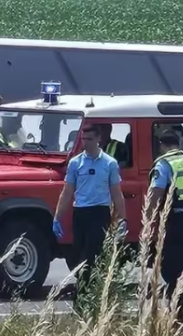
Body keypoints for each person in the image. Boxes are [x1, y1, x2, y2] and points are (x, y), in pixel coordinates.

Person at [52, 126, 126, 308]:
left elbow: (117, 193)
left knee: (90, 255)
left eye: (90, 139)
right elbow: (67, 192)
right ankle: (90, 289)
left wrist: (122, 219)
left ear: (98, 139)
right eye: (83, 139)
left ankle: (82, 297)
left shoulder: (109, 163)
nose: (86, 143)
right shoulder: (76, 163)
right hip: (80, 213)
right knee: (76, 255)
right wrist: (57, 217)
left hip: (99, 213)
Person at [145, 130, 183, 324]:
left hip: (174, 223)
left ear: (162, 145)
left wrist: (149, 221)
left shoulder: (163, 164)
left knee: (172, 270)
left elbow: (156, 193)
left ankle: (176, 315)